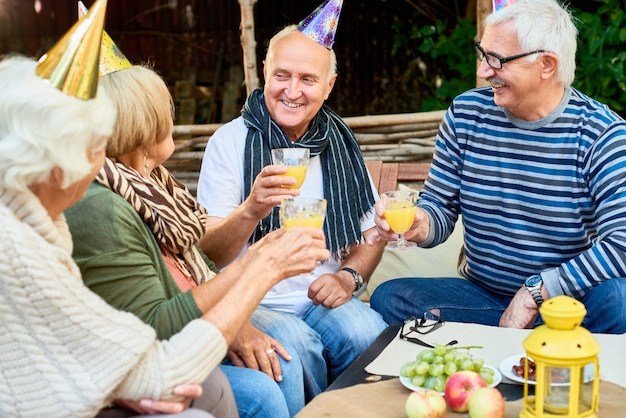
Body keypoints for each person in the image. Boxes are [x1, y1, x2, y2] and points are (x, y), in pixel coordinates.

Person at [0, 9, 328, 418]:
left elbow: (99, 342)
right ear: (55, 164)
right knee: (243, 384)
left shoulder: (43, 225)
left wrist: (117, 381)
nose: (98, 166)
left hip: (146, 357)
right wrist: (260, 267)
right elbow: (158, 354)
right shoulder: (72, 219)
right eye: (92, 148)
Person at [66, 60, 310, 417]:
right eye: (166, 107)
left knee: (284, 355)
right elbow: (156, 325)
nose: (172, 114)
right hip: (150, 355)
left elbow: (200, 266)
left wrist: (238, 313)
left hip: (185, 331)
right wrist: (255, 268)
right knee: (264, 386)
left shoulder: (152, 185)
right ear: (145, 120)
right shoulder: (101, 205)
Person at [367, 0, 626, 334]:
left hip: (567, 305)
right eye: (482, 53)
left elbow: (621, 243)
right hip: (483, 297)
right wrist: (420, 223)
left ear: (546, 64)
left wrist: (536, 292)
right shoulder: (466, 114)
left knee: (620, 299)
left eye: (497, 60)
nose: (483, 71)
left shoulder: (601, 134)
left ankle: (525, 344)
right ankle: (524, 344)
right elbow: (439, 208)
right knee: (392, 297)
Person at [196, 0, 388, 397]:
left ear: (329, 85)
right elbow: (207, 252)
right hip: (252, 298)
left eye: (307, 79)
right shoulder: (230, 143)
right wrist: (251, 209)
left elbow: (371, 234)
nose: (292, 91)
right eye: (281, 75)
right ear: (265, 72)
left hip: (323, 295)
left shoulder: (342, 145)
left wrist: (347, 277)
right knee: (293, 349)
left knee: (371, 334)